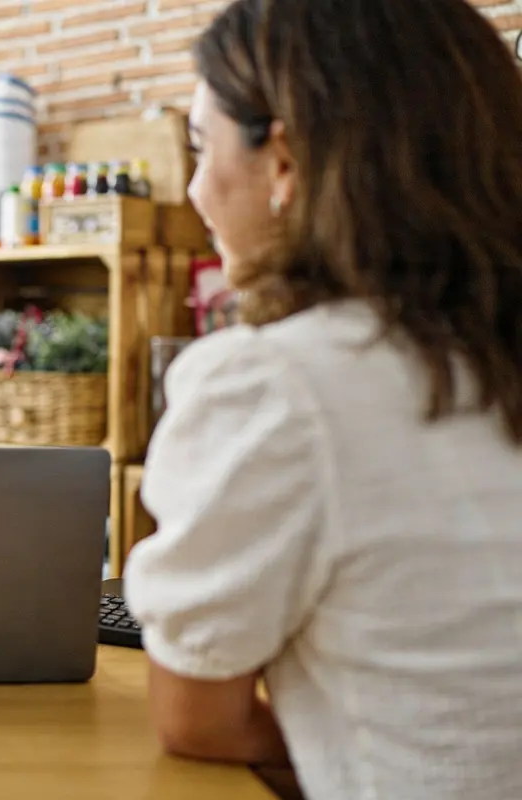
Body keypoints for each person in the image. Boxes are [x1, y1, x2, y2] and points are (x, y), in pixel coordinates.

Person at [122, 1, 522, 798]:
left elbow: (199, 718)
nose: (197, 192)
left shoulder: (275, 384)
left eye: (202, 150)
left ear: (286, 159)